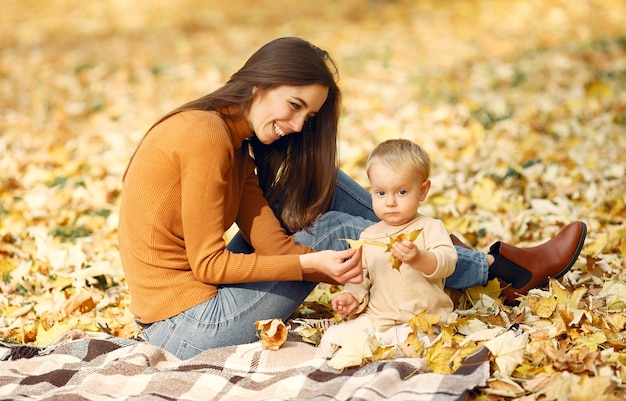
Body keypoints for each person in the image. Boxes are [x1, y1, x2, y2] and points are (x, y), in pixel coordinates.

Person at [118, 37, 587, 360]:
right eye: (295, 106)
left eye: (310, 114)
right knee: (340, 231)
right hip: (184, 327)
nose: (300, 126)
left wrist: (322, 265)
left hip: (195, 308)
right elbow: (208, 266)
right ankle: (488, 270)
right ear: (259, 83)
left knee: (323, 183)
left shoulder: (236, 145)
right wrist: (314, 265)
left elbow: (274, 246)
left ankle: (461, 265)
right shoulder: (204, 134)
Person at [319, 139, 457, 351]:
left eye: (402, 192)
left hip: (421, 321)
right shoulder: (368, 236)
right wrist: (351, 296)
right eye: (381, 193)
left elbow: (447, 262)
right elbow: (360, 279)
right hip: (377, 320)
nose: (390, 202)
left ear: (422, 191)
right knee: (332, 338)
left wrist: (420, 258)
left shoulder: (429, 227)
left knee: (421, 348)